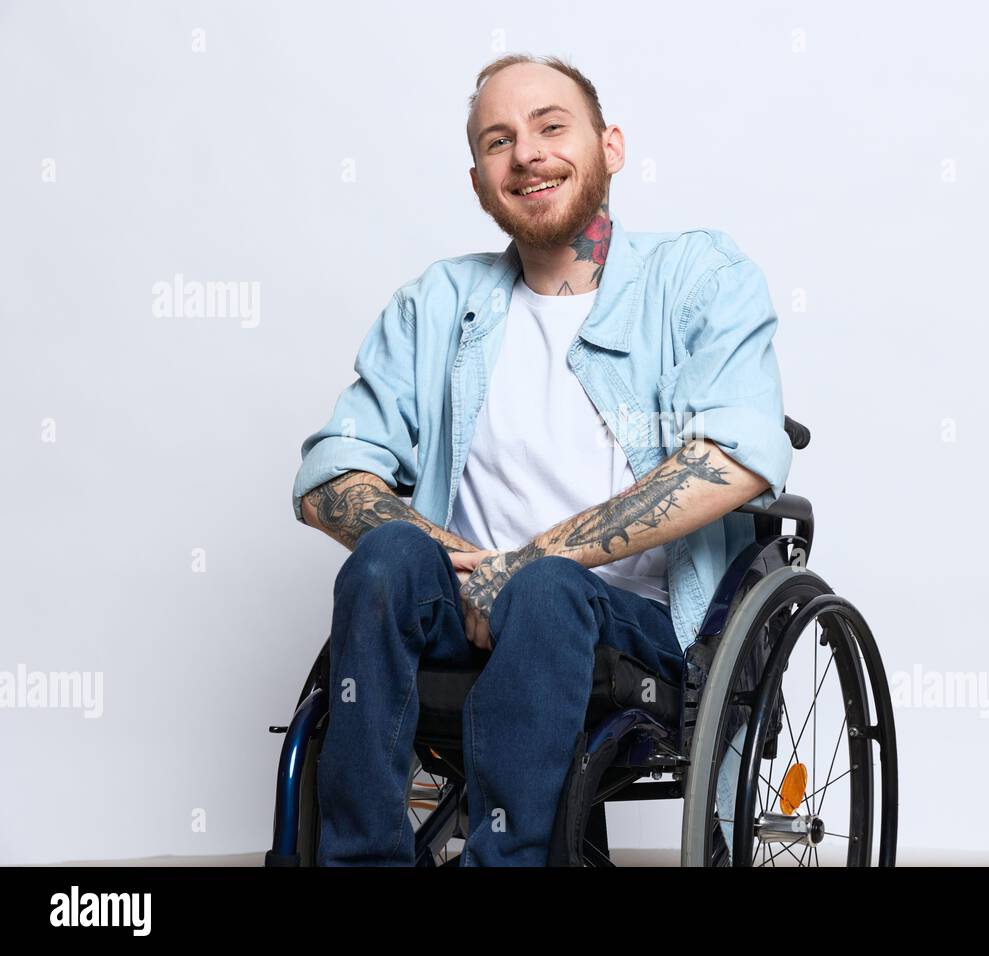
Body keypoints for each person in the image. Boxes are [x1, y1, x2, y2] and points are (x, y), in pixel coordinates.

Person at [291, 53, 793, 866]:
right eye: (499, 141)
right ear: (480, 180)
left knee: (549, 589)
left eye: (551, 126)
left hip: (638, 627)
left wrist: (528, 565)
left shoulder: (700, 278)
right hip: (466, 614)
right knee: (385, 560)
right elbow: (330, 479)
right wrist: (471, 570)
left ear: (611, 146)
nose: (526, 153)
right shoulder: (436, 305)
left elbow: (734, 459)